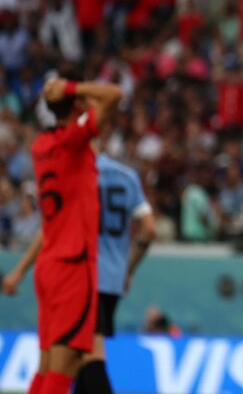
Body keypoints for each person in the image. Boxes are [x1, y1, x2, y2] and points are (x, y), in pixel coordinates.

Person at [3, 152, 156, 394]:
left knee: (81, 356)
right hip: (113, 277)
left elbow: (53, 228)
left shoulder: (78, 173)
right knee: (78, 358)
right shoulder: (127, 176)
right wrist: (128, 269)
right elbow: (148, 228)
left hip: (81, 274)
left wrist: (20, 270)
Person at [24, 77, 122, 394]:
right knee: (64, 368)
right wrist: (71, 88)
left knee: (47, 365)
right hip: (73, 264)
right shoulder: (73, 142)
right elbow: (113, 95)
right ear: (77, 108)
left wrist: (68, 97)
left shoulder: (42, 146)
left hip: (49, 263)